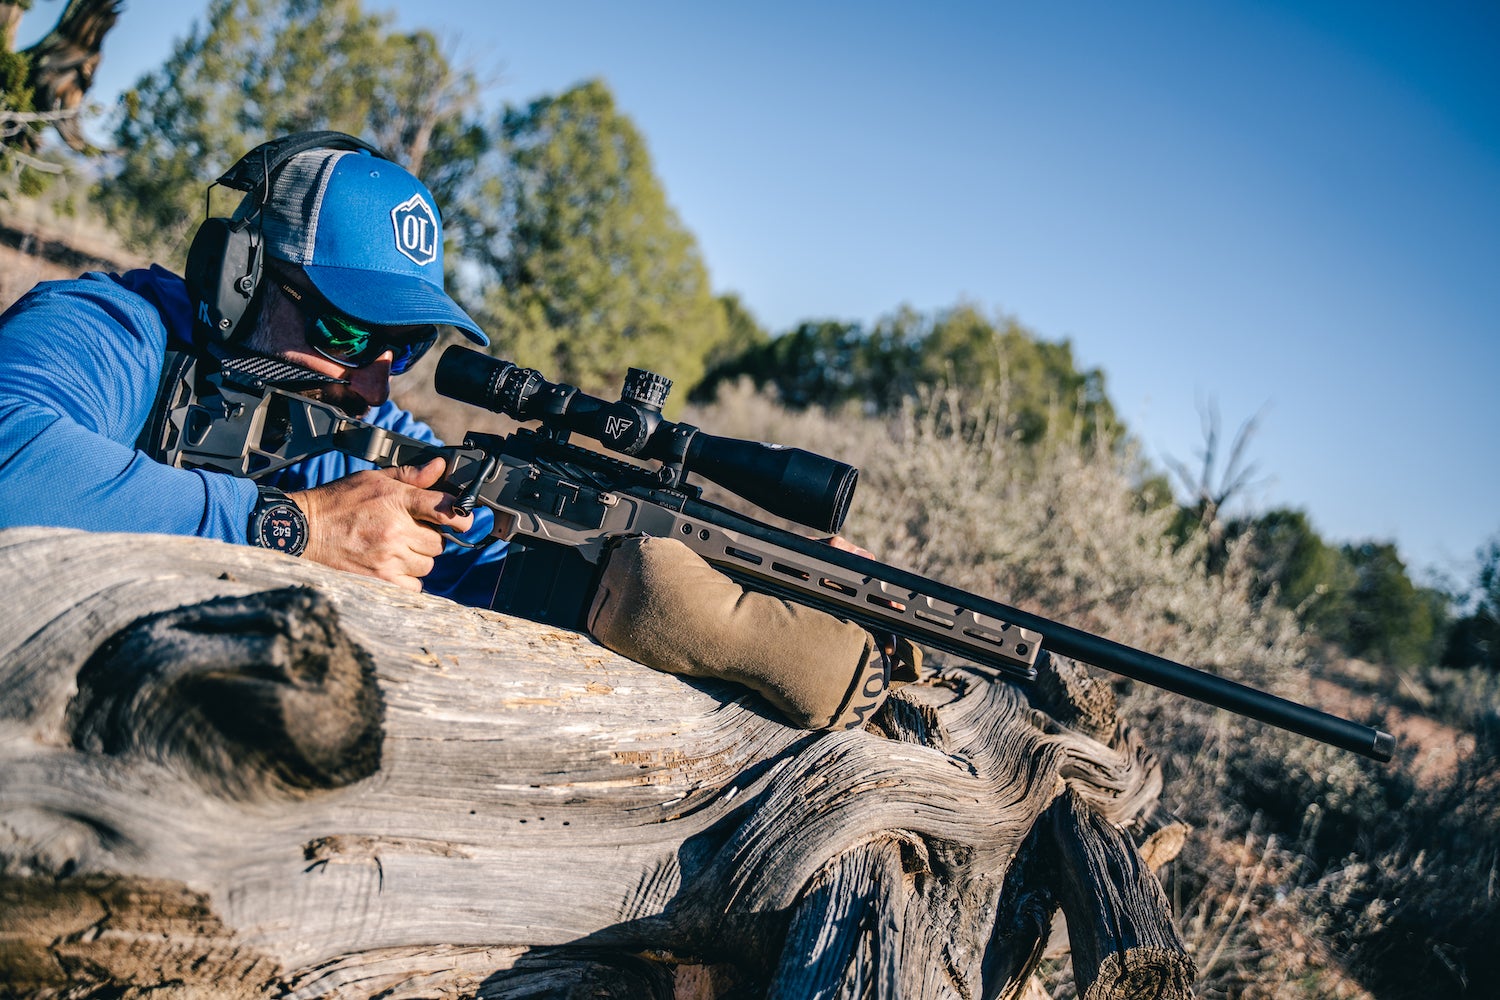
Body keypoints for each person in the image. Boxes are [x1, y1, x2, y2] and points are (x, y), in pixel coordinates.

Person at [0, 131, 906, 729]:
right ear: (242, 276)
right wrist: (294, 528)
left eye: (406, 342)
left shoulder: (365, 431)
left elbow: (477, 565)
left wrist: (741, 594)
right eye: (350, 329)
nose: (378, 372)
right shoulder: (110, 331)